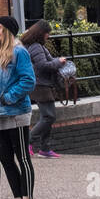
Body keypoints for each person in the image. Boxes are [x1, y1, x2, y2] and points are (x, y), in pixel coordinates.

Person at [0, 15, 36, 199]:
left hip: (16, 114)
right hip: (0, 114)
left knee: (22, 158)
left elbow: (29, 80)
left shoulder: (19, 52)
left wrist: (8, 97)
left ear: (8, 30)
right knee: (6, 158)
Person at [22, 19, 67, 158]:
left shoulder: (33, 45)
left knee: (46, 116)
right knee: (49, 116)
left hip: (43, 84)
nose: (48, 36)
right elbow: (43, 65)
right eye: (47, 33)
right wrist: (58, 62)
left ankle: (45, 148)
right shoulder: (36, 46)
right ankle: (27, 141)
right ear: (42, 33)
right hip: (41, 85)